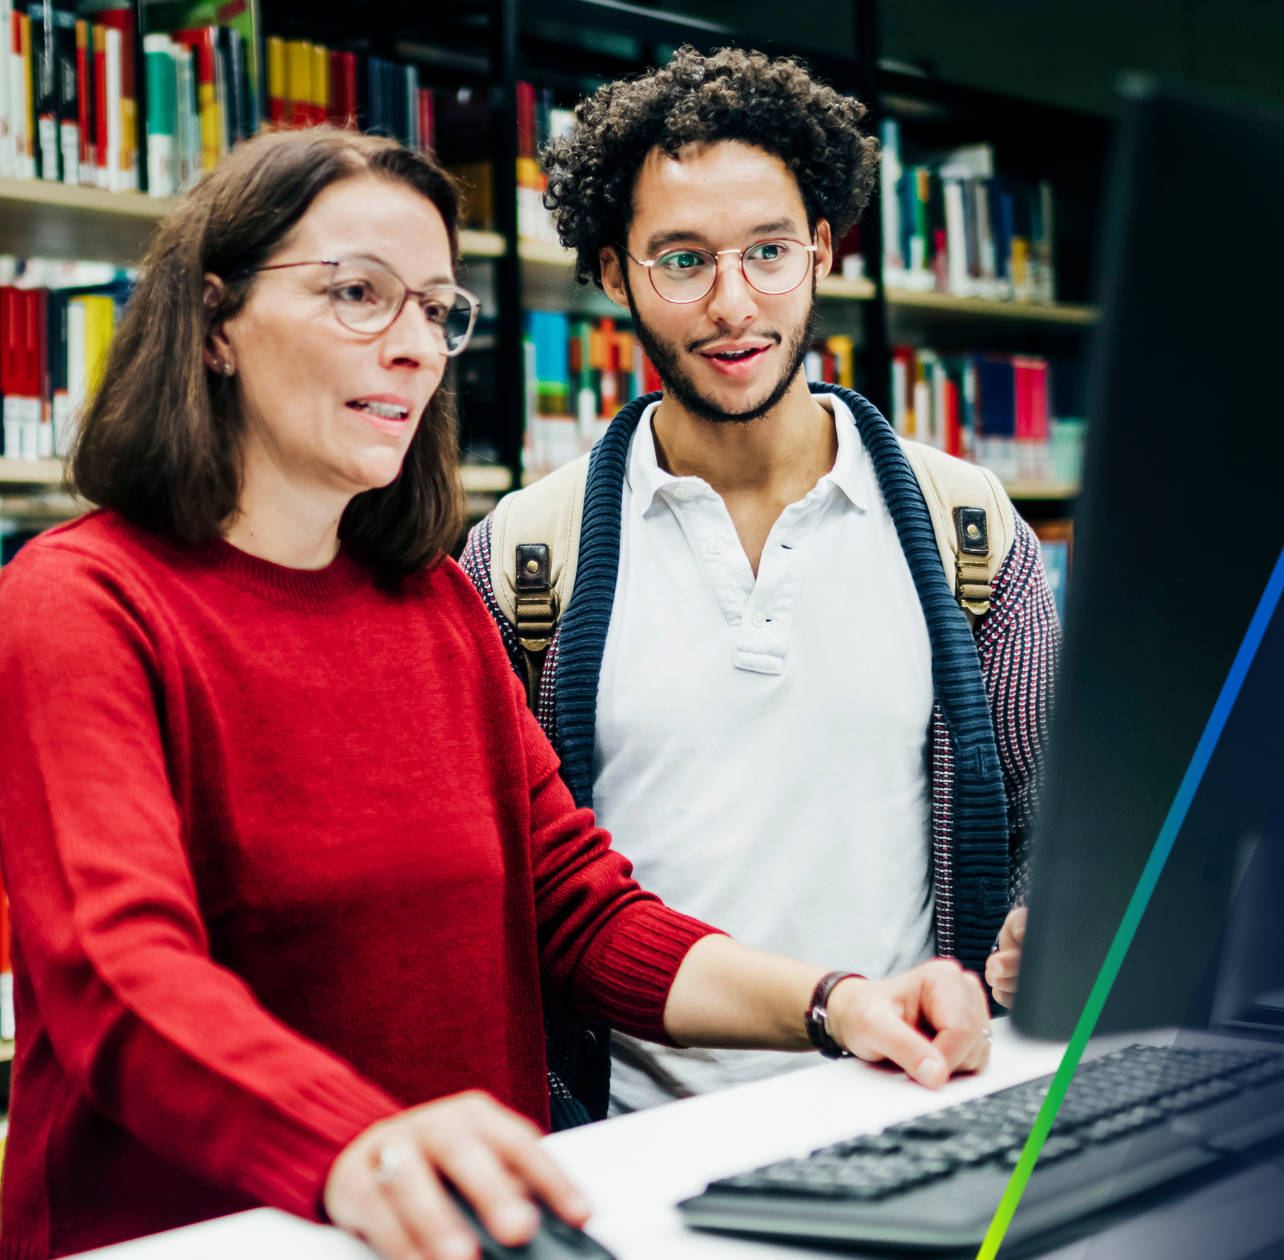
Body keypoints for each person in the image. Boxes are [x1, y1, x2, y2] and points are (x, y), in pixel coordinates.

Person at [0, 128, 993, 1260]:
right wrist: (360, 1148)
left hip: (472, 1231)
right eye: (360, 295)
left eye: (435, 309)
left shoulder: (432, 606)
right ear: (216, 321)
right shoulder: (84, 604)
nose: (416, 348)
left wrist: (836, 1004)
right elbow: (116, 979)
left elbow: (576, 906)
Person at [459, 48, 1052, 1116]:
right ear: (611, 272)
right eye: (681, 260)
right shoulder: (516, 561)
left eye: (769, 251)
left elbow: (1044, 826)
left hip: (907, 1101)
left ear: (822, 249)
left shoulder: (974, 535)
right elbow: (511, 895)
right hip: (624, 1142)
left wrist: (1037, 941)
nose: (735, 303)